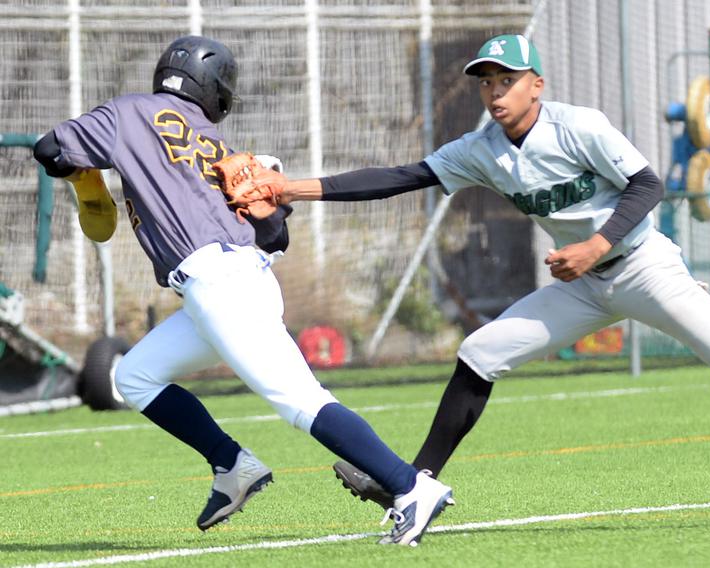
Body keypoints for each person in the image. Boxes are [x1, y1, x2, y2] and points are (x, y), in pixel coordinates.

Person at [248, 34, 710, 510]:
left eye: (506, 79)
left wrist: (596, 244)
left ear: (537, 83)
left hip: (644, 265)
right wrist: (293, 189)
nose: (494, 91)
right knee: (479, 353)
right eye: (485, 81)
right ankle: (415, 485)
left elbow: (646, 186)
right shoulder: (481, 150)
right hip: (583, 286)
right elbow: (405, 176)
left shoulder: (578, 127)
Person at [32, 35, 453, 546]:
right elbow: (276, 233)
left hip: (220, 284)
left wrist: (85, 179)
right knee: (137, 376)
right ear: (216, 93)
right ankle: (233, 466)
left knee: (300, 401)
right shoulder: (218, 147)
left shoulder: (129, 111)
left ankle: (411, 489)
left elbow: (50, 148)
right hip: (230, 282)